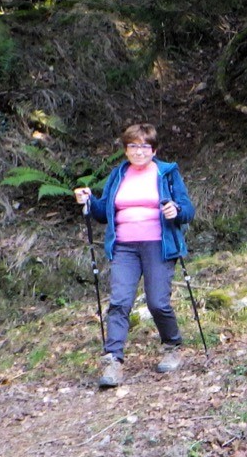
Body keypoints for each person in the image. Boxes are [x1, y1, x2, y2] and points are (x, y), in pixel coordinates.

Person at [73, 123, 195, 388]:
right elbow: (104, 212)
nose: (139, 152)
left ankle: (172, 346)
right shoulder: (118, 174)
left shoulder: (167, 173)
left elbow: (187, 209)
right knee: (119, 302)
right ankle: (112, 361)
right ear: (125, 149)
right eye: (133, 146)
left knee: (158, 303)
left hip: (158, 245)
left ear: (154, 149)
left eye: (145, 146)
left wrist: (176, 210)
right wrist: (89, 201)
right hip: (124, 247)